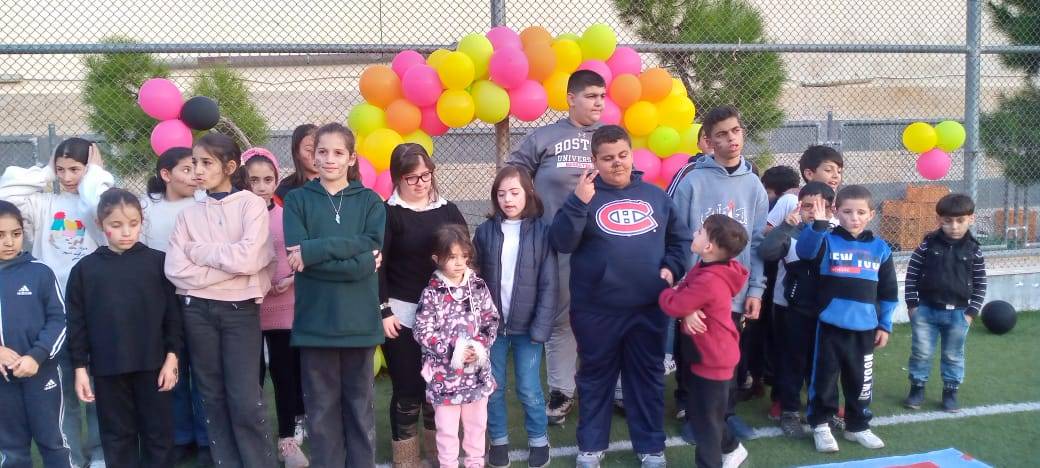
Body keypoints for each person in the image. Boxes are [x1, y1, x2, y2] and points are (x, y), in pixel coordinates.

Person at [550, 125, 689, 468]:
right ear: (594, 160)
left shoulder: (656, 197)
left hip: (648, 309)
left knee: (647, 378)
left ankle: (651, 448)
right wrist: (578, 202)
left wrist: (672, 267)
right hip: (596, 311)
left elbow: (680, 240)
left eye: (623, 155)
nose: (617, 163)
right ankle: (591, 448)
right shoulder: (583, 196)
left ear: (631, 155)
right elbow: (561, 242)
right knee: (595, 379)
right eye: (608, 158)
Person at [164, 133, 278, 468]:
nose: (198, 170)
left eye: (206, 162)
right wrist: (234, 270)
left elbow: (250, 258)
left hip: (240, 312)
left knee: (245, 399)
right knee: (211, 396)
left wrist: (199, 253)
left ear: (229, 167)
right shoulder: (187, 215)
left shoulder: (250, 205)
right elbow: (175, 271)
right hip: (196, 312)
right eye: (194, 163)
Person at [0, 137, 114, 468]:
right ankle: (72, 456)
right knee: (62, 390)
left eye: (75, 169)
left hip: (91, 309)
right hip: (51, 314)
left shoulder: (95, 203)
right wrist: (45, 171)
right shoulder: (43, 203)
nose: (67, 177)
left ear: (90, 169)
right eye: (60, 169)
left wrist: (94, 176)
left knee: (96, 386)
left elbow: (101, 204)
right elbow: (7, 194)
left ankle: (100, 453)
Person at [283, 123, 385, 468]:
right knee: (321, 412)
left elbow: (372, 246)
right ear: (312, 156)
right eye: (322, 151)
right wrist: (358, 261)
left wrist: (313, 253)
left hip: (359, 322)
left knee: (359, 409)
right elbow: (298, 258)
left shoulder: (370, 202)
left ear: (351, 158)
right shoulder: (297, 200)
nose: (329, 159)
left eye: (338, 152)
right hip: (316, 323)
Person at [507, 70, 605, 425]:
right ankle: (562, 390)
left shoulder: (610, 138)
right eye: (591, 95)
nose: (599, 103)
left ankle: (615, 387)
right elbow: (512, 175)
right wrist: (529, 214)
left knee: (609, 316)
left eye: (602, 96)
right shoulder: (545, 137)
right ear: (571, 98)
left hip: (602, 244)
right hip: (557, 243)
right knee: (560, 317)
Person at [671, 106, 768, 440]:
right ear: (709, 142)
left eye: (735, 131)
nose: (731, 139)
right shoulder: (692, 182)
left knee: (728, 356)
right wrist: (685, 297)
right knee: (693, 354)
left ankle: (726, 414)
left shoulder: (754, 185)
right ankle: (690, 412)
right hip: (697, 294)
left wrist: (755, 289)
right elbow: (679, 239)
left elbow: (757, 242)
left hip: (735, 293)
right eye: (722, 134)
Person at [66, 188, 181, 467]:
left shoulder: (158, 262)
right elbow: (76, 323)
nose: (126, 232)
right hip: (108, 369)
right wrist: (80, 369)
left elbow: (174, 317)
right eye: (116, 225)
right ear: (100, 224)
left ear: (142, 221)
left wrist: (172, 358)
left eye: (133, 223)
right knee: (117, 437)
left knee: (158, 434)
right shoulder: (84, 270)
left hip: (153, 366)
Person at [378, 143, 467, 467]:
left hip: (444, 318)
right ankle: (406, 458)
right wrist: (384, 310)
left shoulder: (448, 211)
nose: (420, 183)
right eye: (411, 177)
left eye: (425, 175)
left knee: (437, 386)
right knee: (408, 390)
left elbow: (465, 259)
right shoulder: (388, 214)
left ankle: (439, 452)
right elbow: (378, 267)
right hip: (401, 317)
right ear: (397, 178)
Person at [796, 185, 898, 453]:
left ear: (871, 214)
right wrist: (818, 225)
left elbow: (889, 292)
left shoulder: (881, 248)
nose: (854, 218)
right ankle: (821, 425)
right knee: (824, 379)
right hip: (829, 326)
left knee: (860, 381)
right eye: (847, 211)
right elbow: (805, 252)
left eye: (861, 212)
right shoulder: (826, 240)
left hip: (865, 329)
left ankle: (857, 426)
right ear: (836, 212)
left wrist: (884, 324)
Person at [474, 166, 558, 468]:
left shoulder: (542, 232)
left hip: (528, 329)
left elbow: (549, 284)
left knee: (529, 388)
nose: (508, 199)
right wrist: (478, 323)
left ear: (528, 193)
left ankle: (538, 440)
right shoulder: (485, 232)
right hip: (492, 329)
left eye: (514, 192)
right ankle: (498, 441)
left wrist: (541, 328)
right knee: (493, 388)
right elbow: (476, 279)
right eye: (501, 194)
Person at [660, 214, 751, 468]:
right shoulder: (707, 268)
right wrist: (686, 306)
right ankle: (731, 448)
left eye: (700, 232)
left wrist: (665, 289)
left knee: (705, 421)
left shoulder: (710, 279)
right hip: (709, 355)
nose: (694, 233)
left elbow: (674, 304)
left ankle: (713, 462)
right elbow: (686, 294)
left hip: (714, 358)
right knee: (704, 414)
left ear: (709, 246)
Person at [140, 147, 212, 465]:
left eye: (197, 166)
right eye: (186, 168)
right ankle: (181, 436)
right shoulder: (147, 208)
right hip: (162, 299)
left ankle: (207, 438)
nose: (195, 174)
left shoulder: (205, 203)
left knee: (203, 370)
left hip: (199, 295)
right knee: (174, 368)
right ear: (166, 174)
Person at [242, 147, 310, 467]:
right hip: (248, 309)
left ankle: (287, 440)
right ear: (244, 182)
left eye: (268, 180)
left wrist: (291, 280)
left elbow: (303, 254)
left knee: (285, 374)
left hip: (284, 306)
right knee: (251, 377)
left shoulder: (287, 215)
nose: (261, 186)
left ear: (276, 180)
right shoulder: (238, 217)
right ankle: (254, 439)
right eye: (254, 180)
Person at [414, 224, 499, 468]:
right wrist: (454, 351)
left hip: (476, 375)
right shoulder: (431, 294)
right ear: (436, 259)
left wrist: (478, 347)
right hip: (445, 379)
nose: (459, 262)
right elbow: (422, 331)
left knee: (476, 427)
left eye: (464, 256)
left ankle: (475, 463)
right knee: (447, 431)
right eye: (452, 257)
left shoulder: (478, 286)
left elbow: (491, 319)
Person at [0, 200, 74, 467]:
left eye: (15, 233)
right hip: (3, 381)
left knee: (52, 442)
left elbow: (59, 320)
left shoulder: (40, 272)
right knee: (11, 450)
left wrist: (36, 356)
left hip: (41, 374)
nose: (9, 242)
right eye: (0, 235)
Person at [757, 182, 835, 437]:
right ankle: (788, 409)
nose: (814, 212)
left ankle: (823, 410)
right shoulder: (791, 232)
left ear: (831, 209)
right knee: (792, 361)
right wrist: (785, 226)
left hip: (827, 312)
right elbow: (766, 252)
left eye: (821, 207)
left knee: (824, 363)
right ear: (799, 207)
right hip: (792, 309)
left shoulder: (836, 235)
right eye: (808, 206)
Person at [903, 193, 987, 413]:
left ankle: (950, 392)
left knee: (953, 355)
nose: (954, 226)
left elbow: (980, 283)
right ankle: (917, 388)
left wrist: (971, 312)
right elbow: (911, 275)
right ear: (938, 219)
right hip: (926, 311)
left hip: (959, 314)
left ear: (971, 219)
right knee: (921, 352)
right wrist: (912, 305)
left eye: (960, 220)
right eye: (948, 221)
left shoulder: (974, 250)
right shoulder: (926, 246)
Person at [275, 124, 318, 204]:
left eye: (321, 150)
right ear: (297, 152)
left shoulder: (336, 183)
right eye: (309, 150)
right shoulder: (285, 189)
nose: (316, 155)